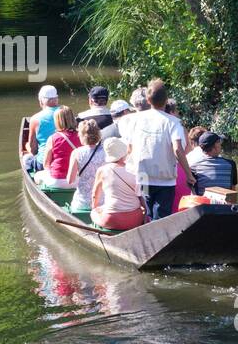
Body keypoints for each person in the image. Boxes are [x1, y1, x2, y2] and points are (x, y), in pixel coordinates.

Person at [119, 78, 193, 221]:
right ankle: (158, 239)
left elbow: (129, 147)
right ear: (166, 101)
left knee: (148, 210)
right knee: (161, 215)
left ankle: (148, 236)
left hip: (143, 175)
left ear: (148, 100)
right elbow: (178, 150)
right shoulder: (173, 122)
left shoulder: (133, 119)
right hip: (165, 178)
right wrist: (189, 174)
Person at [90, 137, 147, 231]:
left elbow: (95, 195)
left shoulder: (102, 170)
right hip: (135, 219)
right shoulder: (140, 171)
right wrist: (145, 216)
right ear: (123, 153)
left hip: (111, 220)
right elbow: (144, 196)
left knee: (93, 212)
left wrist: (95, 208)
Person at [65, 119, 105, 212]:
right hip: (103, 203)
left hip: (82, 203)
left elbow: (70, 180)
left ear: (82, 135)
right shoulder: (105, 152)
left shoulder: (77, 153)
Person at [22, 85, 62, 173]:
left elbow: (34, 150)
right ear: (57, 99)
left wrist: (27, 146)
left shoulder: (35, 119)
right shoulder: (67, 114)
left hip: (43, 164)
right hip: (65, 162)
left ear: (41, 101)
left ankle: (32, 175)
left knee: (26, 157)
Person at [37, 106, 80, 186]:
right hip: (76, 180)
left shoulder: (52, 138)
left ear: (57, 121)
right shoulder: (81, 136)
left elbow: (46, 164)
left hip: (57, 180)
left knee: (37, 175)